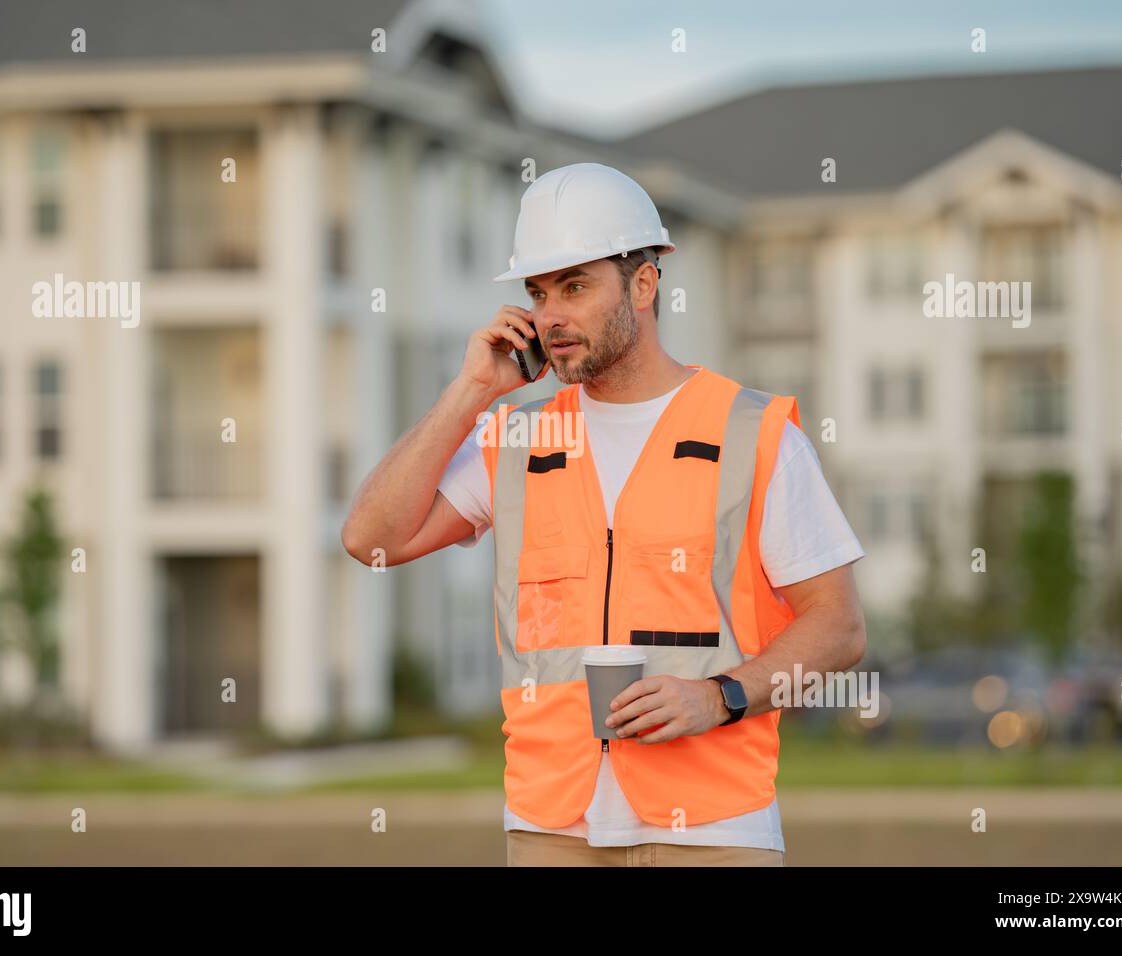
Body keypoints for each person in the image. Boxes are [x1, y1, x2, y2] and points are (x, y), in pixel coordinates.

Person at [342, 162, 867, 866]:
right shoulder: (519, 440)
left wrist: (719, 696)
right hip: (551, 825)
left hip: (712, 829)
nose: (550, 314)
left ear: (643, 284)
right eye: (538, 292)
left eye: (575, 285)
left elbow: (838, 627)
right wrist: (471, 392)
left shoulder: (754, 432)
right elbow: (370, 539)